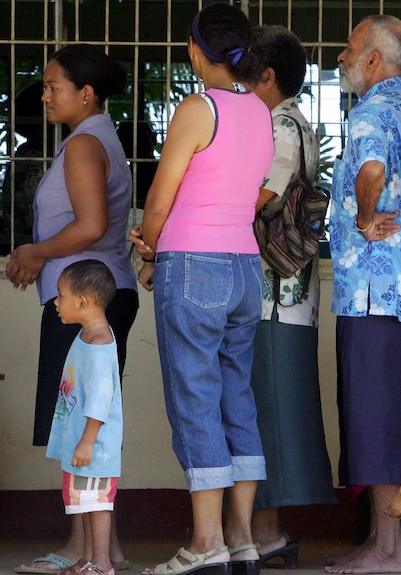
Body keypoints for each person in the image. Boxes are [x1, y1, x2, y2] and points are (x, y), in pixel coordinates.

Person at [132, 5, 273, 575]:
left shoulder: (197, 108)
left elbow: (161, 200)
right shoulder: (261, 112)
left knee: (195, 398)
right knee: (236, 394)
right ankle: (241, 537)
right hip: (245, 266)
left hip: (193, 264)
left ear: (195, 51)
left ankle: (206, 540)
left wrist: (149, 246)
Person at [8, 44, 139, 575]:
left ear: (86, 93)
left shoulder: (85, 144)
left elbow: (88, 226)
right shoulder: (94, 137)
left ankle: (88, 550)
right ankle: (90, 545)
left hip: (88, 302)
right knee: (81, 423)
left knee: (84, 423)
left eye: (53, 85)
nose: (44, 94)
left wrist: (34, 253)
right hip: (92, 297)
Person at [325, 14, 401, 575]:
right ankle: (382, 542)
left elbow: (370, 169)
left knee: (373, 419)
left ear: (374, 59)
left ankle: (388, 549)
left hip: (375, 293)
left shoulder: (371, 112)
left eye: (349, 50)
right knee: (396, 418)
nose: (342, 59)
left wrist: (366, 218)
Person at [247, 24, 337, 568]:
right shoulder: (292, 122)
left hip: (274, 294)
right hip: (288, 291)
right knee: (271, 410)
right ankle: (266, 529)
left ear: (268, 77)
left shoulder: (280, 126)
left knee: (270, 411)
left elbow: (266, 196)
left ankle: (269, 532)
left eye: (246, 76)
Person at [47, 260, 123, 575]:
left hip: (94, 446)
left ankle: (101, 564)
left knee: (97, 504)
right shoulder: (87, 337)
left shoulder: (100, 344)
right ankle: (89, 559)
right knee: (86, 504)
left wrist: (87, 442)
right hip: (82, 443)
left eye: (60, 295)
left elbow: (100, 399)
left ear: (82, 302)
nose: (56, 302)